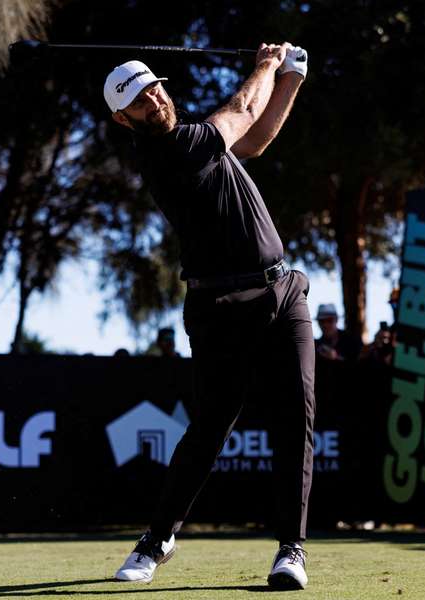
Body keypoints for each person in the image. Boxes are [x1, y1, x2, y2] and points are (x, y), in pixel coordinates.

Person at [104, 42, 314, 590]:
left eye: (153, 87)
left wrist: (292, 77)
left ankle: (291, 550)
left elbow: (258, 137)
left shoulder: (203, 142)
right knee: (210, 427)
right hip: (219, 308)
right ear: (123, 118)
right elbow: (243, 111)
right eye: (138, 100)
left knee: (296, 420)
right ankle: (158, 540)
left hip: (283, 291)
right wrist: (269, 61)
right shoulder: (171, 152)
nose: (153, 99)